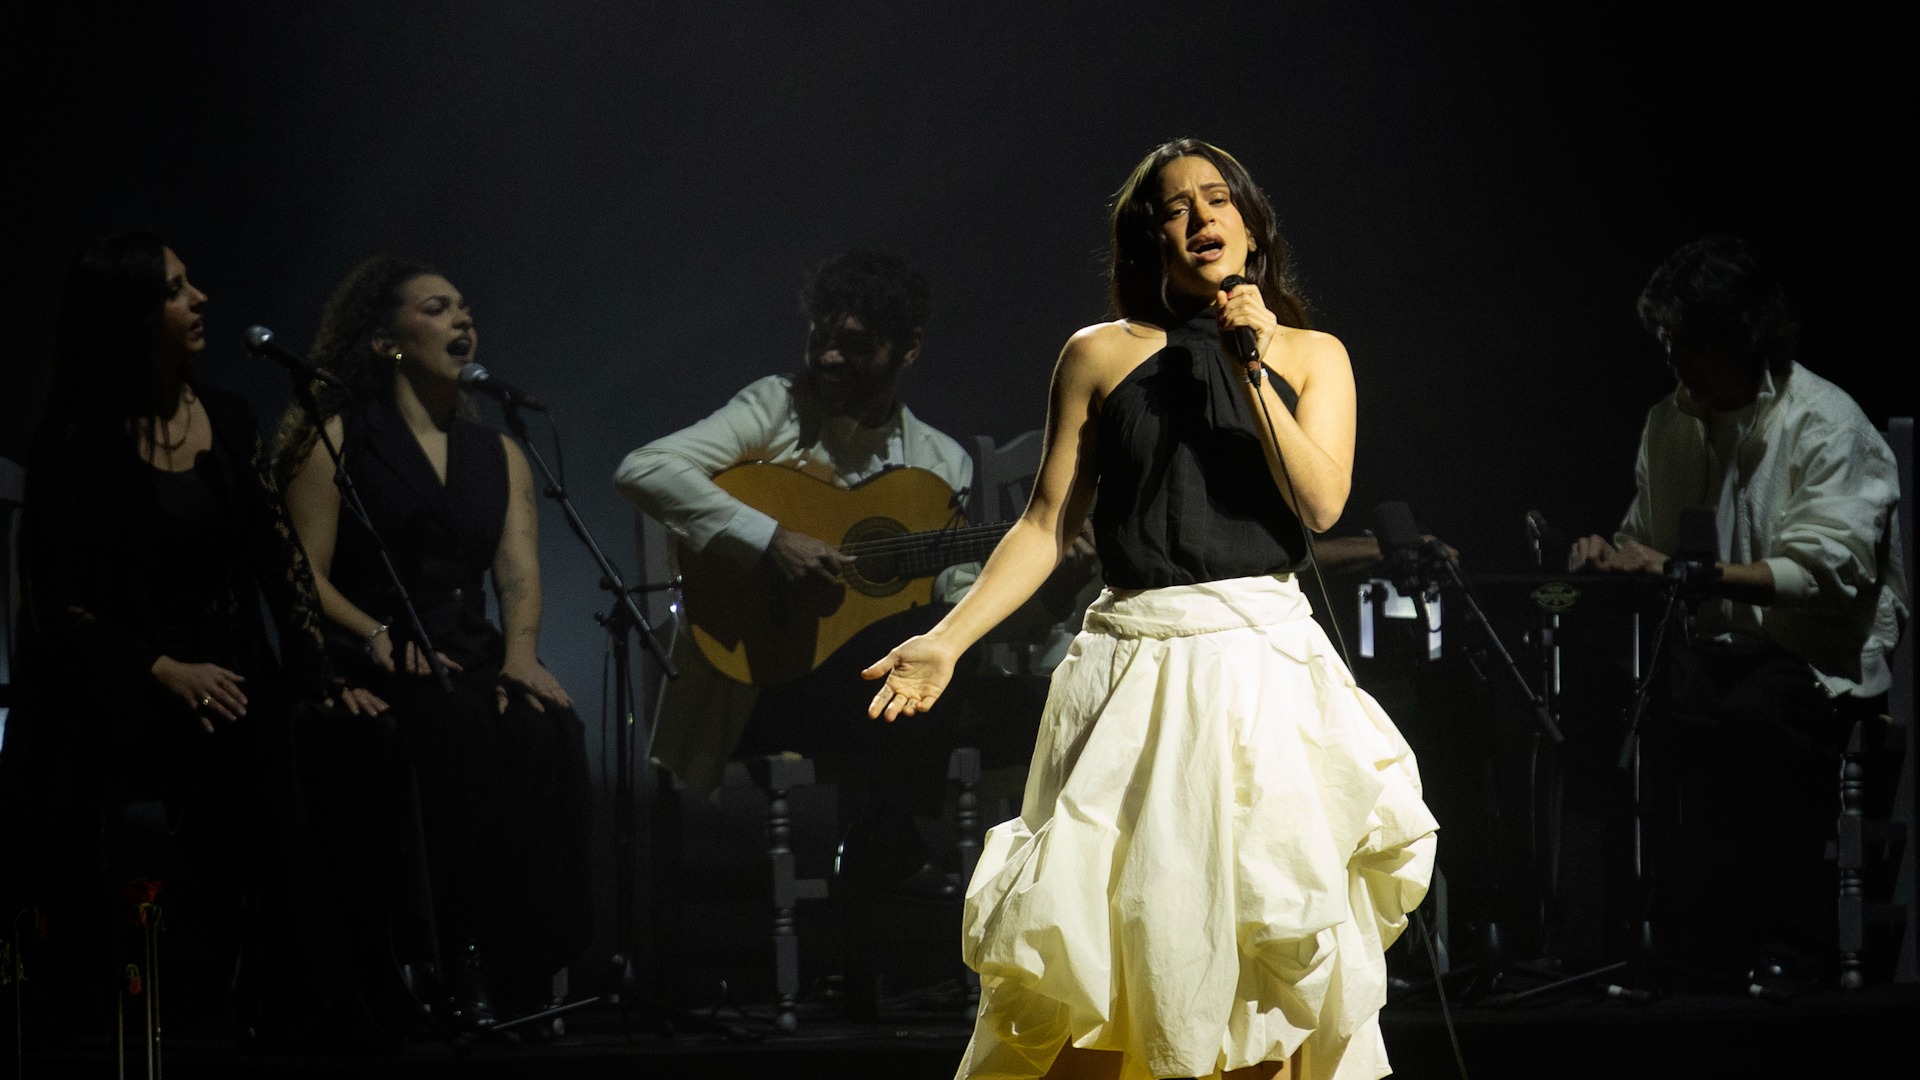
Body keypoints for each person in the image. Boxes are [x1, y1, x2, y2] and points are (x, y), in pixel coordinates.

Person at [862, 139, 1438, 1080]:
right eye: (1176, 208)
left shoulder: (1309, 355)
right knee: (1116, 938)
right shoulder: (1098, 354)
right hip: (1137, 665)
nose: (1201, 218)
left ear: (1251, 227)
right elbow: (1047, 523)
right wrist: (946, 640)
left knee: (1265, 943)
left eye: (1219, 200)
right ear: (1149, 238)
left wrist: (1250, 364)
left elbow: (1323, 503)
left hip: (1262, 669)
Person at [0, 231, 389, 1046]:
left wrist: (321, 674)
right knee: (246, 750)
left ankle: (334, 992)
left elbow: (278, 564)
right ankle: (275, 1003)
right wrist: (161, 669)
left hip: (227, 676)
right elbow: (56, 606)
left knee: (326, 730)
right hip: (119, 689)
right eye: (178, 290)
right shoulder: (76, 441)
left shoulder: (227, 417)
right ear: (134, 314)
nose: (201, 299)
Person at [616, 249, 1098, 903]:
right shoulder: (774, 408)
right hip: (763, 686)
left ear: (908, 349)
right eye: (821, 338)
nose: (829, 358)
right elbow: (645, 469)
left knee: (1040, 701)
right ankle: (888, 847)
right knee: (934, 659)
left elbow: (958, 600)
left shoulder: (939, 460)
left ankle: (961, 871)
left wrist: (1050, 588)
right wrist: (770, 538)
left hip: (877, 695)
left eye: (856, 345)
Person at [1569, 235, 1908, 984]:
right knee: (1637, 710)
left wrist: (1687, 570)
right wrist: (1609, 554)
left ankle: (1795, 948)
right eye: (1666, 341)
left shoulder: (1824, 422)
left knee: (1757, 715)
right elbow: (1645, 541)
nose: (1674, 358)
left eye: (1687, 341)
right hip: (1716, 652)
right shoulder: (1671, 422)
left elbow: (1828, 574)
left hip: (1814, 659)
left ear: (1742, 336)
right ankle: (1674, 941)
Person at [273, 255, 593, 1030]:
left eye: (465, 309)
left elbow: (519, 571)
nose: (462, 320)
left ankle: (532, 964)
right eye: (437, 308)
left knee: (548, 730)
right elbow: (301, 575)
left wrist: (521, 656)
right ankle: (454, 957)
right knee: (453, 731)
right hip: (377, 647)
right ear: (386, 341)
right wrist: (377, 632)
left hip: (471, 647)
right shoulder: (343, 437)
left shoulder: (500, 452)